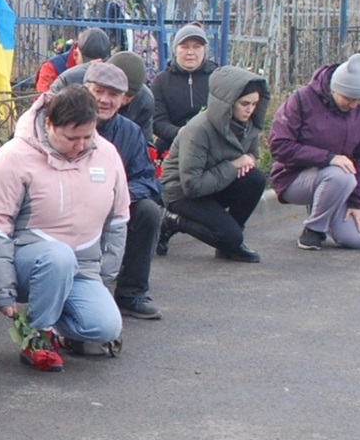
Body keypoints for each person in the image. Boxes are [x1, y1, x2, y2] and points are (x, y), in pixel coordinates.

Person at [0, 86, 129, 362]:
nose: (81, 146)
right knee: (59, 256)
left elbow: (118, 220)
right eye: (71, 138)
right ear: (49, 124)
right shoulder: (12, 158)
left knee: (105, 326)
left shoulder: (107, 155)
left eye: (87, 136)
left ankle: (56, 326)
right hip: (27, 262)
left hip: (83, 266)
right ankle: (37, 335)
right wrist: (3, 291)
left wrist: (104, 278)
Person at [269, 53, 360, 251]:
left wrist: (357, 202)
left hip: (339, 182)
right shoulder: (302, 99)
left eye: (359, 100)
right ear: (334, 89)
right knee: (341, 175)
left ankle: (326, 206)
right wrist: (328, 158)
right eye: (349, 98)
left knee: (357, 239)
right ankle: (314, 230)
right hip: (294, 177)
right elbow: (279, 146)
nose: (354, 105)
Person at [81, 61, 164, 319]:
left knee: (149, 212)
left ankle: (131, 293)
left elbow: (147, 180)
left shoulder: (130, 132)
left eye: (113, 94)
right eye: (99, 91)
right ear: (86, 90)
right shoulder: (65, 123)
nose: (105, 100)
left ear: (125, 100)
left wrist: (118, 195)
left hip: (117, 203)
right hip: (71, 203)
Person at [161, 67, 269, 263]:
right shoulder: (198, 130)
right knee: (232, 237)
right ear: (228, 103)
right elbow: (192, 185)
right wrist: (235, 165)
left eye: (254, 104)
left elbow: (251, 155)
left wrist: (250, 160)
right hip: (181, 192)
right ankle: (173, 220)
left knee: (255, 179)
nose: (250, 109)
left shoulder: (247, 124)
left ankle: (230, 245)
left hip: (215, 183)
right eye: (244, 103)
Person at [150, 24, 218, 156]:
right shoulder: (161, 81)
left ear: (204, 50)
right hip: (173, 142)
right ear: (176, 50)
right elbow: (157, 121)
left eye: (197, 47)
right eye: (184, 47)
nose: (190, 52)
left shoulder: (217, 77)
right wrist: (181, 132)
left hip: (211, 143)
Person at [34, 27, 109, 95]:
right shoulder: (51, 68)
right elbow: (43, 104)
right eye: (87, 65)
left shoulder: (110, 68)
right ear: (75, 55)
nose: (91, 69)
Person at [107, 50, 156, 135]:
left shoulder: (144, 101)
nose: (121, 100)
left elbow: (143, 140)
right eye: (115, 92)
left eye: (128, 95)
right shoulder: (81, 85)